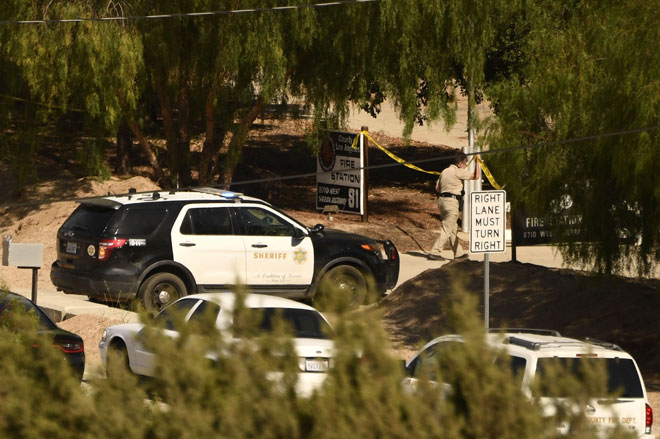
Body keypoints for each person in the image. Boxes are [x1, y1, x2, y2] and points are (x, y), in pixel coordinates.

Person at [428, 152, 480, 260]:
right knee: (447, 228)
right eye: (466, 163)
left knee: (452, 228)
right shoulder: (458, 171)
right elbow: (476, 176)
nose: (466, 166)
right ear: (460, 163)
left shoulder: (444, 171)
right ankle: (435, 252)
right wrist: (478, 163)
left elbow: (437, 188)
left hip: (442, 201)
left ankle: (458, 253)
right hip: (452, 202)